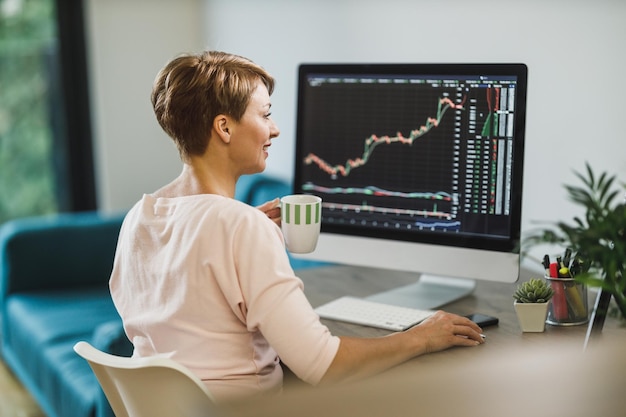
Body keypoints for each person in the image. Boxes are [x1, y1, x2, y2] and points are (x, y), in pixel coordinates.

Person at [109, 50, 485, 404]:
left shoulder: (139, 219)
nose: (273, 130)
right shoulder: (239, 227)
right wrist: (421, 337)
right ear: (224, 127)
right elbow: (323, 365)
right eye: (265, 114)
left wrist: (239, 226)